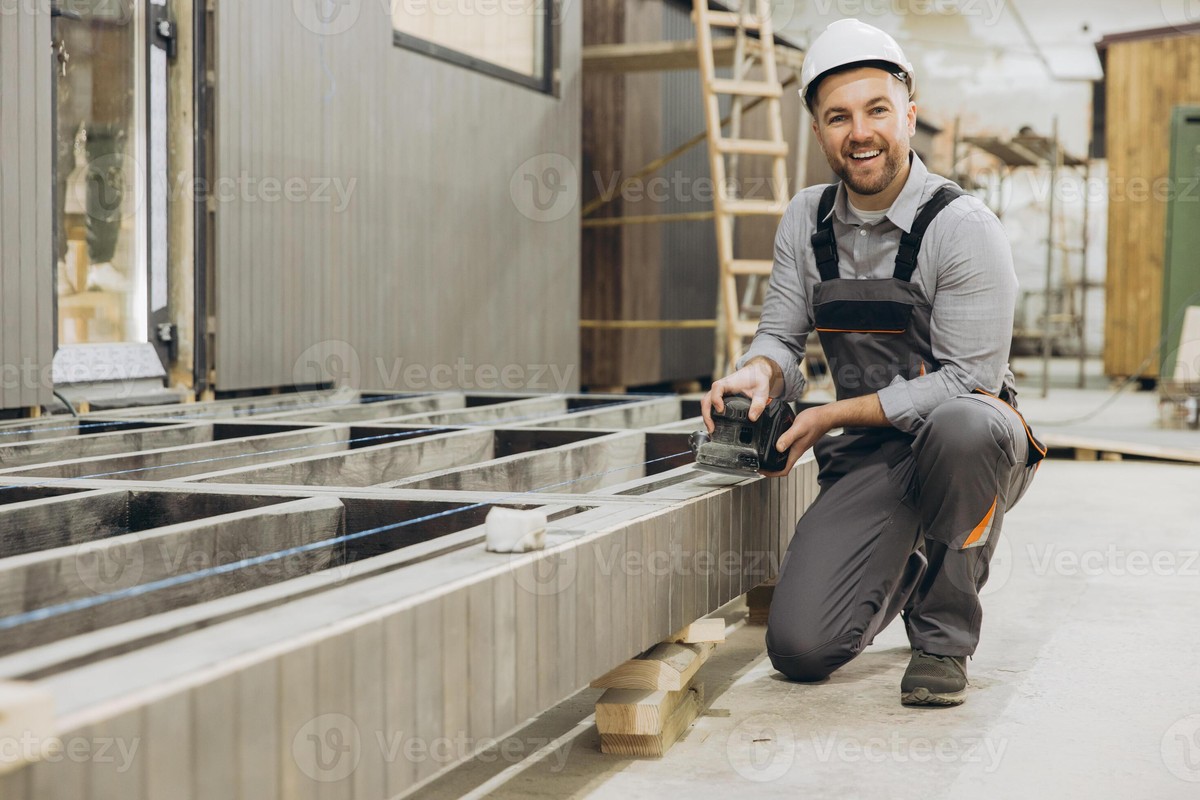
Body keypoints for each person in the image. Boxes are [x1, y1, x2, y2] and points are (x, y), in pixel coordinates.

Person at [701, 18, 1044, 707]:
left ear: (908, 116)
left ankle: (943, 641)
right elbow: (780, 336)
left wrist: (830, 413)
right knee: (799, 649)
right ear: (818, 129)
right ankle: (909, 561)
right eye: (838, 117)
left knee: (961, 428)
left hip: (971, 445)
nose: (860, 132)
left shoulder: (962, 226)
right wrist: (759, 371)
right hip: (872, 454)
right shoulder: (805, 219)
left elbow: (965, 382)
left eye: (876, 110)